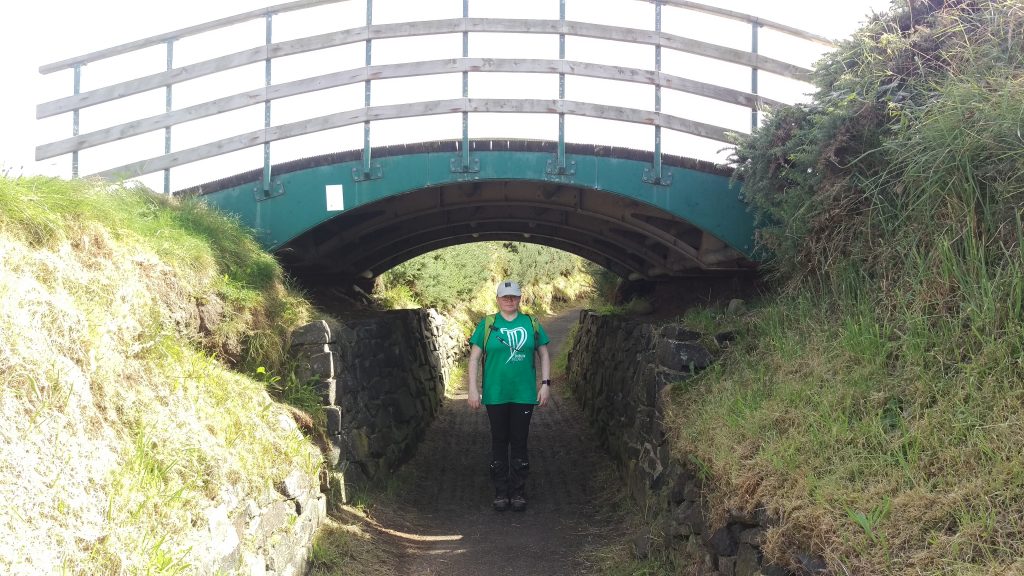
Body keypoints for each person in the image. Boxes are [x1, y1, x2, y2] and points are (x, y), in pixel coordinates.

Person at [467, 280, 551, 512]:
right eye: (505, 296)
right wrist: (473, 389)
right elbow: (474, 358)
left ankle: (518, 492)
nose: (509, 300)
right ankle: (501, 492)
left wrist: (545, 384)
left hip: (523, 394)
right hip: (495, 394)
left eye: (513, 296)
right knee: (499, 441)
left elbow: (543, 354)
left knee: (520, 441)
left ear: (520, 298)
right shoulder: (487, 324)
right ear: (498, 299)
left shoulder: (531, 323)